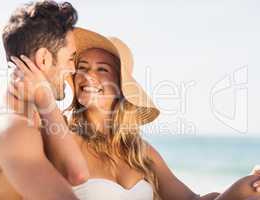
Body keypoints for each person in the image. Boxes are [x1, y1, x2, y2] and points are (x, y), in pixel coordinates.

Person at [14, 27, 260, 200]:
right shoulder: (61, 134)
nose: (88, 76)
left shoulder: (140, 152)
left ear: (123, 86)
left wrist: (246, 187)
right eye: (82, 68)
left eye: (102, 69)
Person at [0, 1, 89, 200]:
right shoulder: (14, 128)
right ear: (44, 59)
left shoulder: (25, 118)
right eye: (70, 58)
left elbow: (75, 172)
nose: (73, 68)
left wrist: (45, 100)